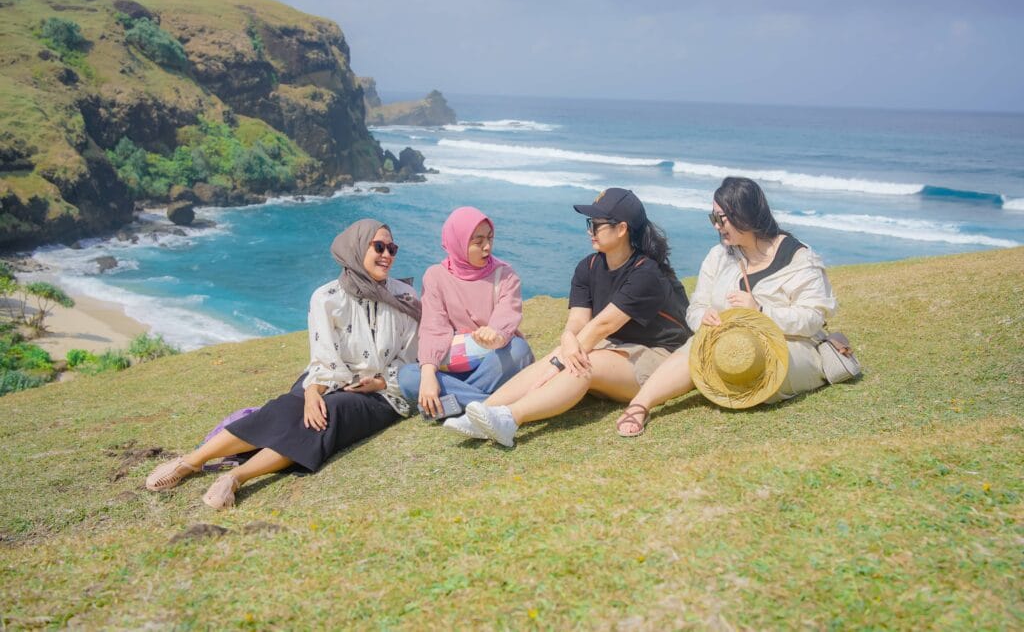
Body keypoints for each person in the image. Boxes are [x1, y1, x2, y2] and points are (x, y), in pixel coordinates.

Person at [144, 219, 420, 509]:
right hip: (325, 377)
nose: (387, 255)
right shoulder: (326, 298)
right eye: (379, 246)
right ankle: (191, 461)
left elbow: (409, 359)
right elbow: (323, 357)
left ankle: (236, 478)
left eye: (392, 248)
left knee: (328, 415)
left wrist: (376, 383)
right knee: (287, 408)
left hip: (382, 392)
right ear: (356, 248)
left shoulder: (405, 297)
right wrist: (313, 392)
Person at [443, 188, 692, 446]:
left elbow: (603, 325)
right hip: (617, 347)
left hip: (660, 358)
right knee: (563, 354)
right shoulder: (589, 266)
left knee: (582, 363)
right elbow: (578, 320)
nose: (589, 230)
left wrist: (562, 360)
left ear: (621, 229)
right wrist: (568, 337)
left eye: (596, 225)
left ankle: (509, 419)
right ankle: (484, 411)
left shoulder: (646, 273)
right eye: (590, 224)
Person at [617, 176, 838, 434]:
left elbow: (812, 317)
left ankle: (727, 383)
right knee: (695, 350)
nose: (717, 226)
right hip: (727, 343)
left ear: (746, 215)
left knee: (757, 366)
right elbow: (696, 306)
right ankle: (639, 406)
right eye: (713, 218)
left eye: (722, 219)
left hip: (787, 344)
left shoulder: (799, 258)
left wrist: (761, 312)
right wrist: (703, 318)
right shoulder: (719, 256)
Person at [398, 206, 534, 416]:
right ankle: (496, 407)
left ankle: (451, 405)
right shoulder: (435, 276)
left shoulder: (505, 274)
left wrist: (495, 333)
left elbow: (507, 313)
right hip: (452, 366)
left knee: (519, 350)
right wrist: (427, 374)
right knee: (409, 377)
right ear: (458, 241)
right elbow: (434, 328)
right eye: (478, 241)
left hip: (494, 362)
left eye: (490, 238)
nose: (487, 247)